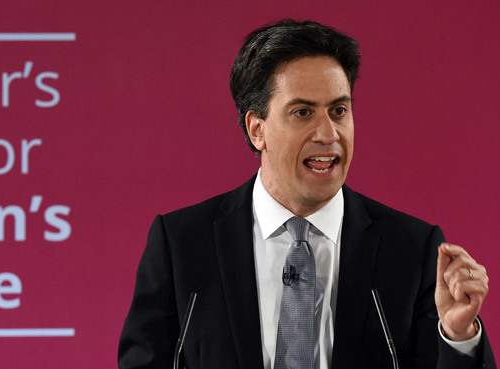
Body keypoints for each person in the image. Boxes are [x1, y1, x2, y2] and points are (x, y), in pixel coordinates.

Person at [118, 19, 495, 369]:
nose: (328, 134)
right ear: (257, 129)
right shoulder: (182, 243)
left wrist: (459, 337)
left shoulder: (413, 248)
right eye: (302, 112)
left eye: (338, 110)